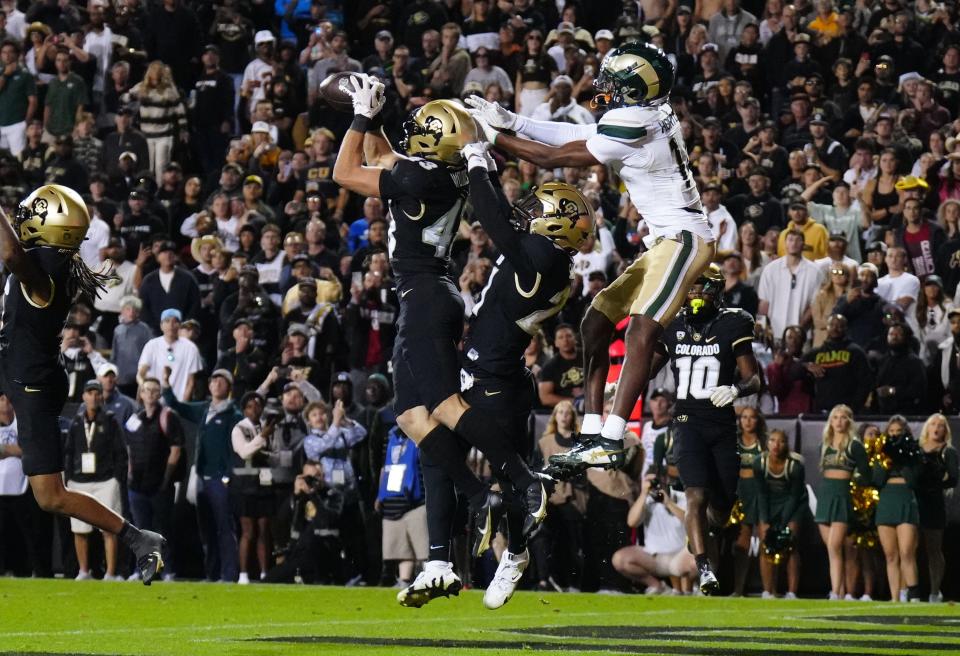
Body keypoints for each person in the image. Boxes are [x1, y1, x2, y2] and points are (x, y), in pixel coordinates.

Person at [465, 42, 716, 475]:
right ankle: (593, 432)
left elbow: (554, 157)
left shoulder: (636, 122)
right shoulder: (644, 113)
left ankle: (612, 439)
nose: (605, 87)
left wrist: (489, 137)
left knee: (641, 329)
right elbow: (580, 135)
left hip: (685, 238)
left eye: (615, 83)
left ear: (634, 91)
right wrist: (514, 122)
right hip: (663, 241)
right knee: (595, 322)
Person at [332, 78, 547, 571]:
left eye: (424, 128)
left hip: (426, 297)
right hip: (430, 295)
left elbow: (345, 171)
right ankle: (477, 497)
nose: (414, 132)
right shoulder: (436, 172)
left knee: (445, 404)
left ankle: (521, 478)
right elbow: (387, 158)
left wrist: (362, 116)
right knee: (411, 415)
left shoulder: (418, 177)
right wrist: (380, 116)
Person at [0, 184, 165, 584]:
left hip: (32, 382)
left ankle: (139, 538)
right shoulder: (54, 261)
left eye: (30, 215)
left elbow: (10, 253)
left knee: (50, 496)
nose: (21, 221)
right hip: (20, 367)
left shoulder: (47, 270)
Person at [456, 168, 592, 610]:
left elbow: (496, 221)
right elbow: (506, 218)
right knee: (506, 476)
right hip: (506, 372)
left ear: (555, 223)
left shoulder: (542, 258)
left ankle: (465, 534)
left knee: (430, 419)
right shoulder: (551, 260)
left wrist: (477, 162)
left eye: (539, 208)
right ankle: (514, 551)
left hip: (493, 376)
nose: (528, 212)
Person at [650, 264, 760, 594]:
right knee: (695, 495)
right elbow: (646, 368)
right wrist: (618, 383)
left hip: (722, 426)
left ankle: (702, 531)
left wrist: (737, 390)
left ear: (715, 289)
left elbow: (754, 378)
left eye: (700, 286)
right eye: (691, 287)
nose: (694, 292)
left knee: (722, 511)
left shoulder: (733, 323)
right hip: (687, 423)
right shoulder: (672, 325)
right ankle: (704, 568)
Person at [162, 368, 242, 583]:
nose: (216, 384)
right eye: (213, 380)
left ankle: (228, 574)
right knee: (207, 529)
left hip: (219, 479)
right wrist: (167, 384)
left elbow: (236, 451)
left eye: (221, 380)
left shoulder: (234, 415)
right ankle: (212, 573)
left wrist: (227, 476)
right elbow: (177, 406)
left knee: (225, 528)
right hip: (201, 478)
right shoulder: (205, 409)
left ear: (228, 386)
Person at [64, 379, 127, 580]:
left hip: (106, 481)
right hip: (79, 482)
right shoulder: (76, 421)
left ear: (101, 396)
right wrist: (69, 478)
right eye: (89, 393)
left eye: (96, 393)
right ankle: (83, 571)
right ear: (83, 396)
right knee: (79, 529)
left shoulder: (110, 420)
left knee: (109, 528)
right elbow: (69, 451)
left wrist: (116, 478)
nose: (93, 397)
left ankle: (110, 573)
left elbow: (120, 452)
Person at [124, 376, 183, 581]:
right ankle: (143, 570)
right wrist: (130, 475)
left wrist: (166, 480)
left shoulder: (168, 416)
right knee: (140, 531)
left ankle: (168, 570)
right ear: (140, 393)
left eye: (154, 390)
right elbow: (129, 450)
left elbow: (176, 451)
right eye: (146, 390)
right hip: (137, 485)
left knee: (163, 529)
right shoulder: (134, 419)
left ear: (159, 394)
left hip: (159, 485)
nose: (150, 394)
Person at [815, 403, 870, 600]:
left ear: (849, 421)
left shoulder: (854, 445)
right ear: (830, 421)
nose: (839, 421)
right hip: (825, 497)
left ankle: (836, 592)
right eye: (835, 417)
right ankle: (837, 590)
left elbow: (866, 474)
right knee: (832, 549)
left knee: (834, 546)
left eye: (843, 417)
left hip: (842, 496)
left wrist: (855, 479)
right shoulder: (824, 445)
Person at [611, 467, 696, 594]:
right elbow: (631, 522)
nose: (655, 485)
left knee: (695, 561)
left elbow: (691, 523)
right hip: (654, 557)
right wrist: (644, 494)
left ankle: (691, 588)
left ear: (666, 479)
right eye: (650, 481)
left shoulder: (680, 497)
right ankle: (658, 587)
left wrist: (668, 503)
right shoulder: (646, 500)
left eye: (657, 481)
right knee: (620, 559)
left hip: (679, 555)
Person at [874, 415, 923, 602]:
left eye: (898, 432)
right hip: (887, 501)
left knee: (907, 552)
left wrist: (901, 458)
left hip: (905, 499)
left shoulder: (913, 454)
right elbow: (877, 480)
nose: (894, 436)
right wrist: (887, 459)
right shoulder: (882, 453)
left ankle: (913, 595)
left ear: (906, 433)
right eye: (891, 432)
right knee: (891, 555)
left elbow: (913, 481)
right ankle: (895, 598)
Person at [754, 428, 808, 599]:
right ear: (767, 443)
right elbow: (761, 494)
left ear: (787, 444)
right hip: (769, 504)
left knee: (790, 544)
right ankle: (768, 590)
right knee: (765, 543)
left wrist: (782, 522)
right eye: (772, 440)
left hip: (793, 505)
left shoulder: (795, 466)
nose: (776, 445)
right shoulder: (759, 463)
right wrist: (765, 521)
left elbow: (794, 496)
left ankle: (792, 592)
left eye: (781, 441)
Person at [915, 413, 959, 603]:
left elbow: (953, 479)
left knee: (934, 548)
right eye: (933, 424)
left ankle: (934, 591)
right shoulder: (916, 449)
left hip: (933, 503)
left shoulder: (947, 451)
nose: (936, 428)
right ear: (927, 427)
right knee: (908, 548)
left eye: (941, 425)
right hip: (913, 501)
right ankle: (909, 590)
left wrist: (934, 486)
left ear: (945, 430)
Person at [732, 407, 766, 597]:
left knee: (764, 540)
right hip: (740, 493)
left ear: (758, 421)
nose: (747, 421)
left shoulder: (764, 443)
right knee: (742, 544)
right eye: (744, 417)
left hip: (759, 492)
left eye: (752, 417)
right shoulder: (734, 442)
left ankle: (768, 588)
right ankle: (738, 589)